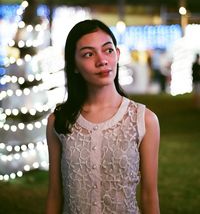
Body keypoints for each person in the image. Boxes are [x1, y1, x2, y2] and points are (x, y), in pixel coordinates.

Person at [45, 19, 160, 214]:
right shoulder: (59, 121)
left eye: (108, 50)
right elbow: (55, 194)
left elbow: (149, 196)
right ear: (74, 65)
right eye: (88, 54)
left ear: (117, 54)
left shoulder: (144, 119)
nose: (102, 60)